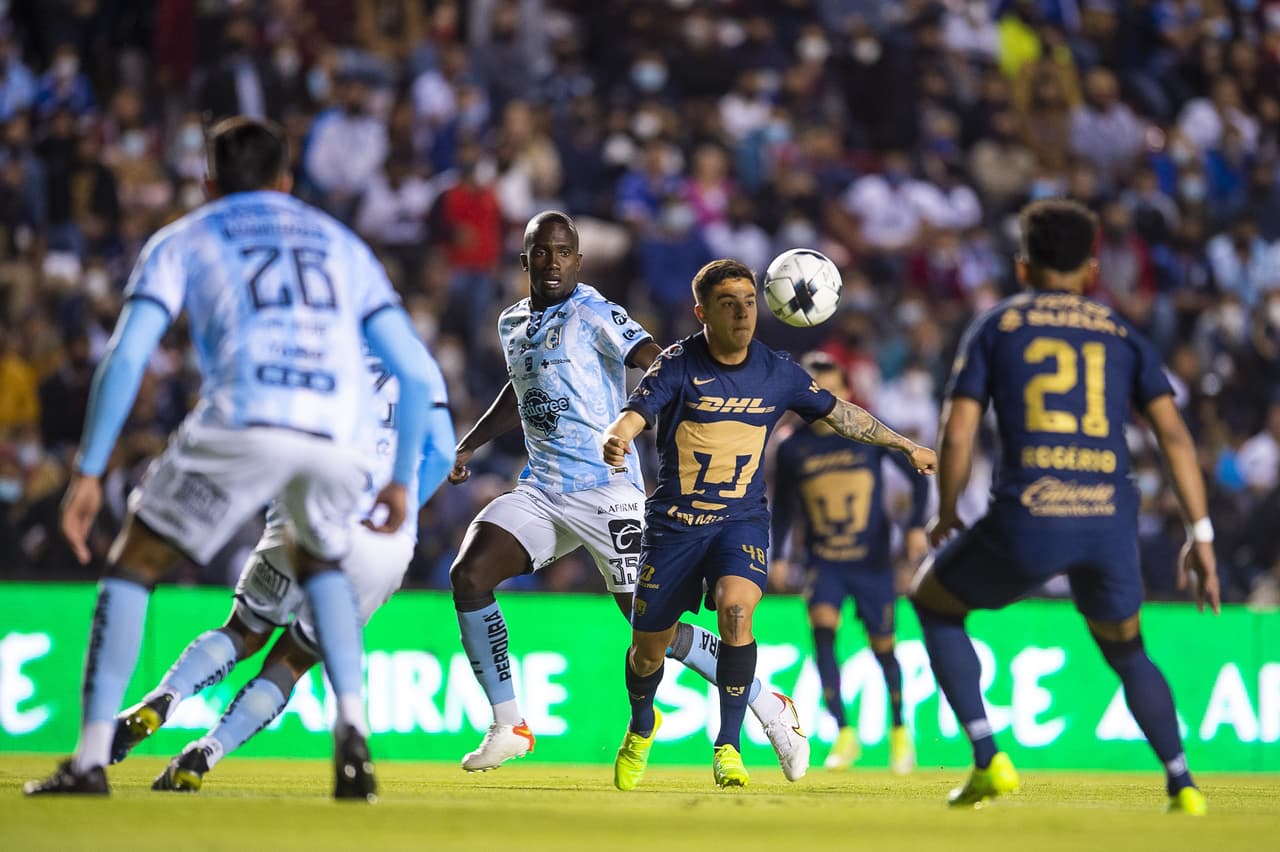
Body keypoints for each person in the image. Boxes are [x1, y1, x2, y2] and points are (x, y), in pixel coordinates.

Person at [23, 117, 436, 802]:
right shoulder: (343, 245)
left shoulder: (185, 236)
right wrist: (398, 481)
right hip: (336, 433)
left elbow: (126, 355)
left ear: (208, 181)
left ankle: (92, 758)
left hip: (246, 409)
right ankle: (353, 731)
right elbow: (418, 377)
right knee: (322, 563)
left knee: (134, 564)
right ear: (286, 180)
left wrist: (90, 470)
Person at [448, 213, 810, 780]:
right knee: (468, 576)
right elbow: (520, 389)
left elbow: (657, 359)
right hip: (543, 488)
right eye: (541, 253)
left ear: (578, 261)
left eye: (564, 253)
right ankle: (509, 724)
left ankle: (768, 702)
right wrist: (467, 445)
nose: (552, 262)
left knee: (653, 632)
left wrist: (683, 403)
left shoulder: (595, 312)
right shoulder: (512, 322)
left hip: (607, 491)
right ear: (524, 261)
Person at [910, 198, 1219, 814]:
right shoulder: (1121, 331)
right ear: (1091, 269)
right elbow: (1176, 436)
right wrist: (1201, 532)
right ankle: (1183, 783)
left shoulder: (997, 325)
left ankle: (987, 757)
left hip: (1030, 514)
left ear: (1023, 267)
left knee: (933, 601)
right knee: (1128, 649)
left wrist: (946, 509)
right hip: (1108, 519)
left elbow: (959, 426)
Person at [601, 258, 936, 790]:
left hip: (741, 521)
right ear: (702, 312)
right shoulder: (675, 364)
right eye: (727, 304)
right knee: (647, 652)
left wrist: (905, 444)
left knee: (737, 611)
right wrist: (618, 436)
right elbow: (634, 413)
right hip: (675, 527)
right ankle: (643, 725)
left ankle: (729, 746)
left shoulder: (778, 371)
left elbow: (840, 413)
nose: (741, 313)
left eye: (749, 301)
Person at [107, 348, 454, 792]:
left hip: (307, 509)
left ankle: (163, 699)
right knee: (293, 660)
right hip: (381, 542)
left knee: (243, 629)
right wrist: (400, 510)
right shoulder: (416, 361)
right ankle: (203, 755)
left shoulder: (311, 346)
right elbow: (443, 451)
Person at [770, 352, 930, 773]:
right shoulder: (792, 447)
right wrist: (782, 556)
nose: (822, 397)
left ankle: (899, 731)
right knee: (823, 636)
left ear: (845, 393)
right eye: (814, 389)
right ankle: (844, 732)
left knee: (883, 649)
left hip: (871, 562)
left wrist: (917, 526)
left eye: (830, 389)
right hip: (824, 561)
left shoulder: (866, 435)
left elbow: (917, 473)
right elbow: (784, 506)